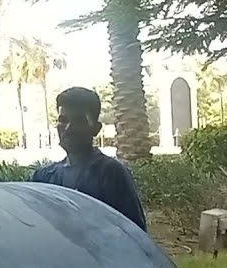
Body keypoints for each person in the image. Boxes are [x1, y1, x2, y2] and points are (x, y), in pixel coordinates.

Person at [31, 86, 148, 231]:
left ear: (96, 129)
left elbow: (135, 234)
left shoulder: (112, 174)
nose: (68, 128)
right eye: (63, 120)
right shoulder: (43, 178)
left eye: (79, 121)